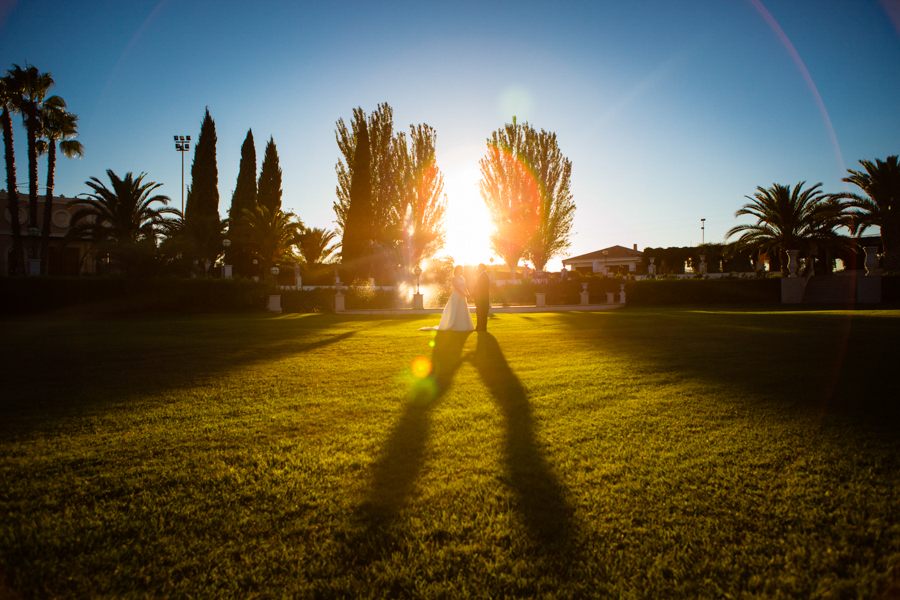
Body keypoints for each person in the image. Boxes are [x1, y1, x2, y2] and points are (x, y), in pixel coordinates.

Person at [418, 265, 474, 331]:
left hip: (462, 297)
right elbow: (457, 288)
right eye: (460, 269)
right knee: (455, 310)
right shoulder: (454, 278)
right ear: (457, 270)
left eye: (462, 269)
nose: (462, 271)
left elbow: (464, 288)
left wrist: (468, 294)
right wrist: (464, 294)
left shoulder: (462, 278)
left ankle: (464, 326)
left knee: (462, 310)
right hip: (456, 296)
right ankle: (454, 325)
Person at [473, 263, 490, 331]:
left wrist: (473, 294)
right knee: (482, 313)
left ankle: (481, 327)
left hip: (481, 299)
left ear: (481, 268)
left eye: (478, 268)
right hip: (483, 298)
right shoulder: (484, 275)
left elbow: (480, 288)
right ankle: (481, 327)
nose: (477, 269)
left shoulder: (483, 276)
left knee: (481, 313)